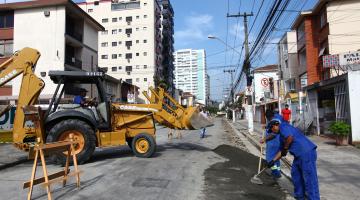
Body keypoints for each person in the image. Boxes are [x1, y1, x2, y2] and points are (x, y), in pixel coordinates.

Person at [266, 119, 319, 200]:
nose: (272, 132)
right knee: (295, 174)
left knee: (309, 178)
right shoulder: (281, 137)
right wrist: (273, 161)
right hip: (298, 155)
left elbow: (290, 138)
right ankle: (299, 196)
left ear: (274, 126)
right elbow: (281, 151)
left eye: (271, 130)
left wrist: (285, 148)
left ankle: (314, 198)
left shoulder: (283, 126)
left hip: (306, 152)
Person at [261, 111, 284, 179]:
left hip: (273, 143)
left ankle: (275, 172)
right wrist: (267, 126)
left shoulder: (274, 121)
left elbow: (273, 134)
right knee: (276, 158)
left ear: (268, 117)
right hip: (278, 142)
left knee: (270, 159)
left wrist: (264, 139)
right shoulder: (278, 117)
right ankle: (278, 171)